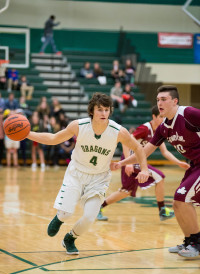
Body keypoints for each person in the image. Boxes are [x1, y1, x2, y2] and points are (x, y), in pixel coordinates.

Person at [26, 92, 149, 255]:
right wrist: (27, 134)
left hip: (99, 178)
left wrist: (144, 168)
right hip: (76, 174)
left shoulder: (118, 131)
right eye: (100, 110)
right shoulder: (78, 125)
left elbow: (139, 148)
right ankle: (59, 218)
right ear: (91, 111)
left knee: (90, 217)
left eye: (106, 110)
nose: (104, 113)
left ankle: (70, 238)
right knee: (66, 213)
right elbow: (54, 138)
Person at [111, 85, 200, 258]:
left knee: (183, 198)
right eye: (158, 100)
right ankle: (189, 241)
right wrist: (121, 163)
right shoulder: (163, 128)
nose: (159, 103)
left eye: (164, 99)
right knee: (177, 203)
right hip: (194, 165)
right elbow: (143, 153)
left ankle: (197, 244)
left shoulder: (188, 114)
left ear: (175, 101)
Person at [97, 105, 190, 221]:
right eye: (160, 117)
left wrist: (178, 163)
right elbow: (125, 142)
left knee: (126, 191)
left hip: (138, 160)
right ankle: (162, 211)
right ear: (154, 116)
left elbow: (165, 152)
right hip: (131, 158)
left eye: (164, 116)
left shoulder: (160, 130)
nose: (163, 119)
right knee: (160, 177)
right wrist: (128, 163)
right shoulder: (145, 128)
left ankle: (98, 208)